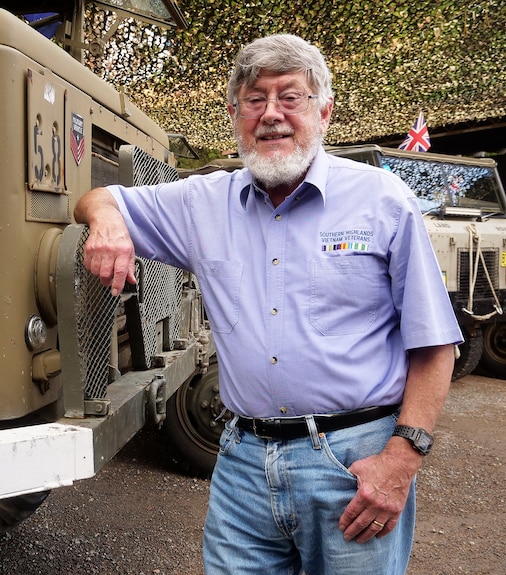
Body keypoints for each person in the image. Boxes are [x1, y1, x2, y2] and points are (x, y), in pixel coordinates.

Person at [74, 33, 462, 575]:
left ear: (323, 110)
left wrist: (402, 459)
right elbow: (94, 197)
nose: (271, 115)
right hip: (242, 466)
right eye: (255, 99)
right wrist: (109, 221)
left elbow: (435, 342)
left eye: (291, 97)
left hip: (353, 465)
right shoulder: (202, 202)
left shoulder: (381, 199)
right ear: (234, 112)